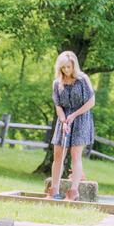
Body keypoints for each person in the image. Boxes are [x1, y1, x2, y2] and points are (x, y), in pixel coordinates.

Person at [46, 51, 95, 201]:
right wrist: (63, 120)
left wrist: (73, 116)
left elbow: (91, 102)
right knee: (58, 154)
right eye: (63, 68)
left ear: (74, 65)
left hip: (81, 119)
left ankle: (74, 191)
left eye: (68, 67)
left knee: (75, 155)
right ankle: (53, 189)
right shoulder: (57, 83)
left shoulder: (82, 79)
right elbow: (58, 105)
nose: (66, 70)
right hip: (64, 120)